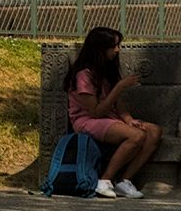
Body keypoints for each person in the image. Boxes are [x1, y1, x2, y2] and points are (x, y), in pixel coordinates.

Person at [63, 25, 158, 198]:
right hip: (88, 120)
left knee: (153, 131)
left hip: (109, 118)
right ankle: (105, 179)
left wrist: (128, 119)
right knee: (136, 136)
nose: (117, 50)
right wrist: (120, 87)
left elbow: (118, 103)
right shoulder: (83, 75)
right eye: (114, 46)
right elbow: (96, 112)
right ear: (100, 49)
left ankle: (124, 180)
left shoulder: (107, 70)